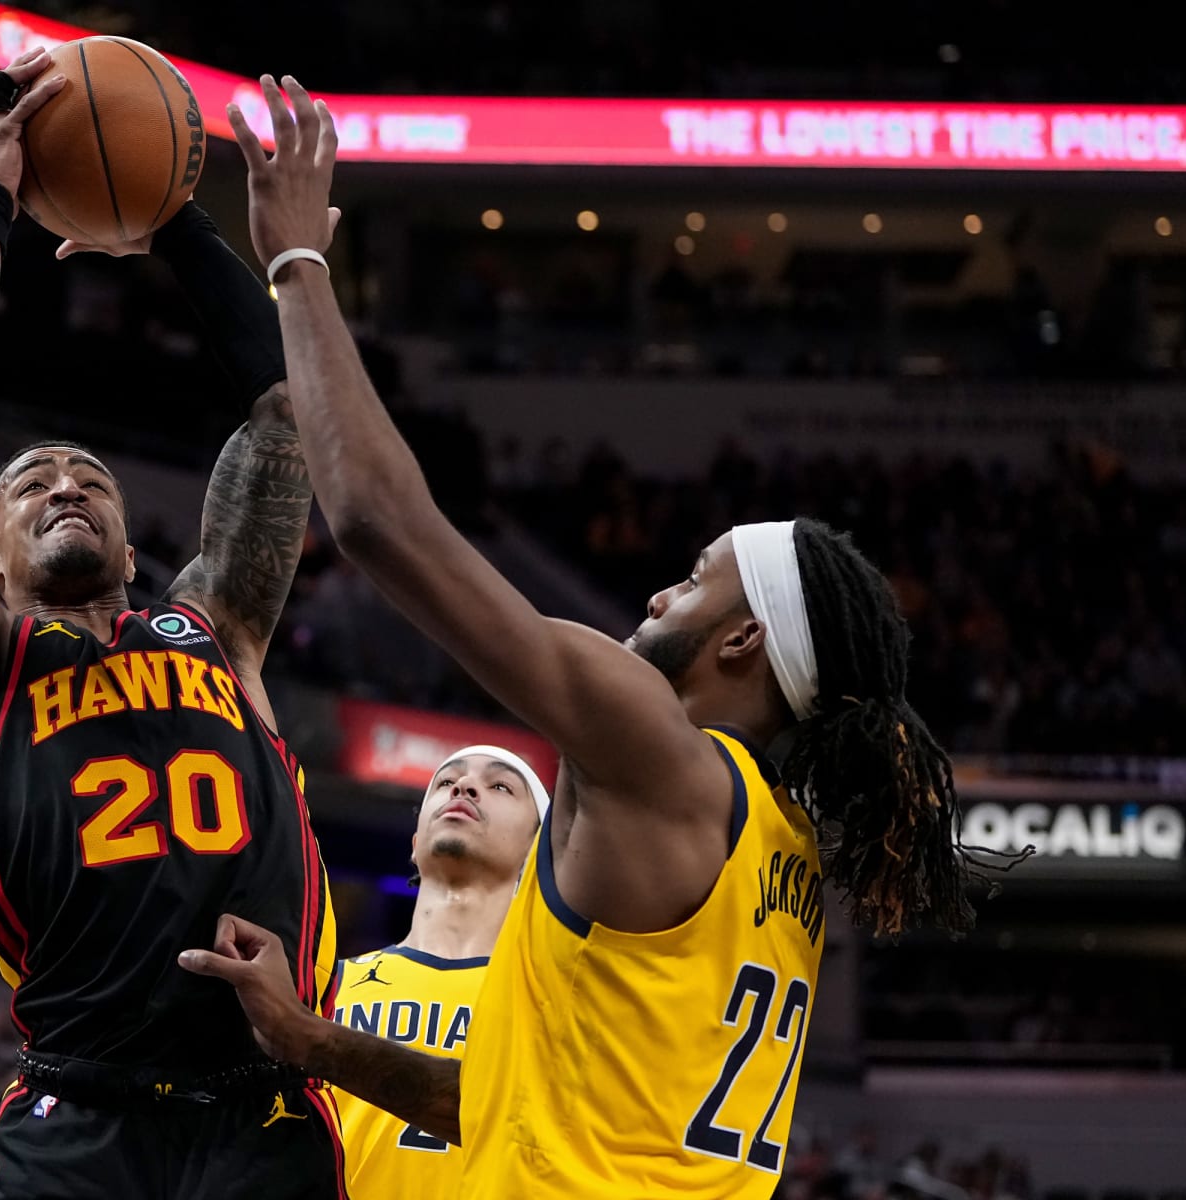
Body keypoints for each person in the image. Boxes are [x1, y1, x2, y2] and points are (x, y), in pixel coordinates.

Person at [181, 76, 1013, 1199]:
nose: (663, 594)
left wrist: (297, 265)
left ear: (741, 644)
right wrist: (312, 1041)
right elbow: (512, 1093)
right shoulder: (788, 855)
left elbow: (380, 524)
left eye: (694, 579)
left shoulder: (652, 748)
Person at [0, 51, 343, 1198]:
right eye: (30, 482)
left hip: (265, 1105)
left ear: (136, 550)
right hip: (79, 1114)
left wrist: (176, 223)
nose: (63, 486)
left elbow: (290, 407)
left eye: (88, 477)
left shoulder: (214, 627)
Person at [332, 746, 548, 1200]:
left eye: (500, 786)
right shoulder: (324, 987)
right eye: (447, 782)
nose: (464, 788)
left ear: (536, 855)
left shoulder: (552, 1010)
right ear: (414, 845)